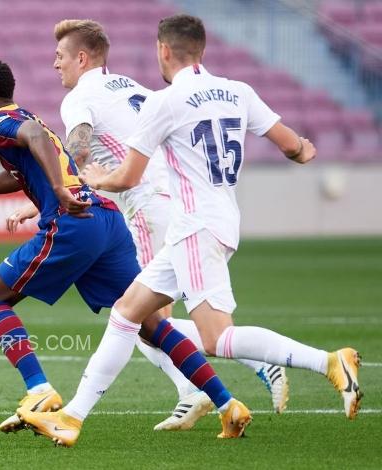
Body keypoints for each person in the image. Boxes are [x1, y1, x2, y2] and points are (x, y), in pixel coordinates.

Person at [19, 14, 361, 447]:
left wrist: (93, 180)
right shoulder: (236, 91)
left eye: (59, 56)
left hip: (185, 221)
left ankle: (323, 361)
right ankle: (72, 417)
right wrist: (305, 150)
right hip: (208, 218)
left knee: (214, 337)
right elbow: (294, 146)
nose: (54, 63)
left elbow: (118, 172)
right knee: (128, 313)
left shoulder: (162, 101)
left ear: (163, 50)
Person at [0, 59, 247, 439]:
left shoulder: (0, 123)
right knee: (150, 324)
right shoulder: (24, 115)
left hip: (73, 223)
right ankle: (228, 404)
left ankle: (39, 390)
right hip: (107, 219)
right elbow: (22, 168)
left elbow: (36, 137)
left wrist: (58, 191)